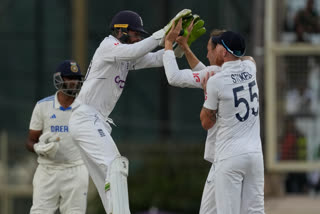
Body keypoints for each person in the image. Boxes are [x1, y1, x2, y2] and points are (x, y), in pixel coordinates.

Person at [68, 9, 193, 214]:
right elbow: (134, 52)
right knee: (115, 167)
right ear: (121, 31)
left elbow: (156, 58)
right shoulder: (108, 46)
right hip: (86, 117)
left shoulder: (125, 55)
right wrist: (162, 33)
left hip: (95, 121)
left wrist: (178, 44)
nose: (137, 39)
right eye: (135, 34)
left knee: (106, 180)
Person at [198, 30, 265, 214]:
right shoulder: (250, 68)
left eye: (217, 44)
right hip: (255, 155)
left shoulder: (216, 82)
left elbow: (206, 123)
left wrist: (206, 96)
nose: (214, 46)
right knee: (255, 210)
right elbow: (249, 58)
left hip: (230, 156)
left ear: (224, 52)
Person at [163, 18, 225, 214]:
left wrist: (167, 44)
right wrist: (185, 47)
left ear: (220, 51)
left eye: (209, 49)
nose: (206, 54)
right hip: (243, 152)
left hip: (223, 156)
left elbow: (174, 77)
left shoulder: (214, 74)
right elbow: (205, 71)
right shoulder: (241, 70)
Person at [26, 60, 89, 214]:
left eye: (76, 78)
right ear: (60, 79)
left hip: (76, 169)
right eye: (69, 78)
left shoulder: (85, 108)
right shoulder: (43, 106)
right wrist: (37, 148)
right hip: (47, 170)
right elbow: (31, 140)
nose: (74, 82)